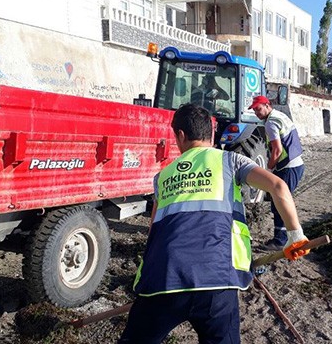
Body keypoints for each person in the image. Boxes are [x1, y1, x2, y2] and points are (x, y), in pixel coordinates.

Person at [118, 104, 310, 344]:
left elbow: (154, 230)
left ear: (180, 135)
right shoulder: (231, 161)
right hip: (217, 279)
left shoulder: (162, 177)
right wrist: (296, 236)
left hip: (163, 279)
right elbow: (279, 187)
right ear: (212, 132)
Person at [249, 95, 305, 250]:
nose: (257, 113)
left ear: (267, 105)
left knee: (279, 202)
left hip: (287, 167)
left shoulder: (270, 123)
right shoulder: (281, 116)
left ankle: (280, 241)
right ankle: (285, 237)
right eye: (254, 110)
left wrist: (269, 169)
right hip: (296, 164)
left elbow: (277, 150)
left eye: (258, 109)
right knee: (282, 201)